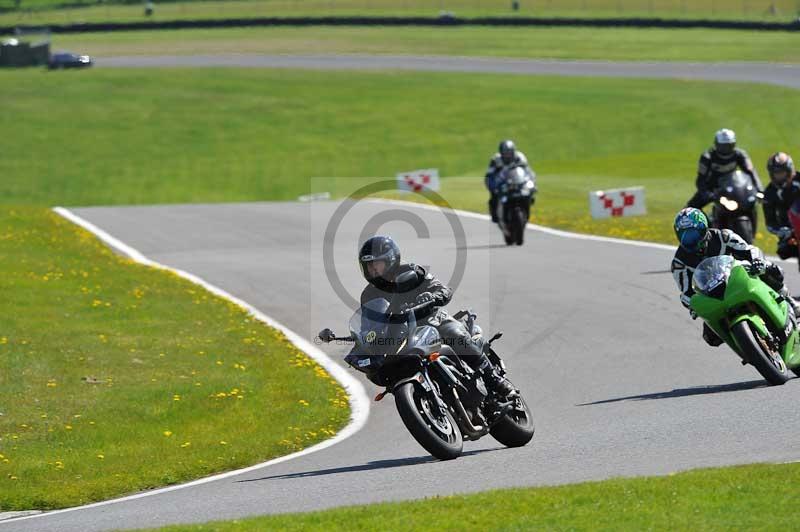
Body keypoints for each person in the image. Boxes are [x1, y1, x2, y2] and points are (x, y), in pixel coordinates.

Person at [357, 235, 514, 395]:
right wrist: (362, 338)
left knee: (455, 334)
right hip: (404, 337)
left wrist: (432, 298)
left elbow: (441, 289)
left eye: (377, 264)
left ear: (390, 259)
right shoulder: (368, 295)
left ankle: (493, 379)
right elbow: (368, 324)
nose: (374, 270)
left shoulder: (411, 271)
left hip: (433, 321)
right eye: (369, 266)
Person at [671, 208, 799, 346]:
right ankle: (748, 349)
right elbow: (686, 292)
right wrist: (691, 303)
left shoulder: (723, 236)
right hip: (713, 296)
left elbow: (749, 250)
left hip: (737, 277)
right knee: (711, 338)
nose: (691, 240)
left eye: (694, 234)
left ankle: (789, 300)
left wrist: (757, 261)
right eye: (685, 236)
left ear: (704, 228)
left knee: (771, 269)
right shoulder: (679, 263)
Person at [686, 129, 763, 209]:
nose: (726, 149)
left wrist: (759, 189)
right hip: (713, 190)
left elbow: (751, 172)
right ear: (716, 144)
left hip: (733, 188)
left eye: (729, 146)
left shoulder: (740, 155)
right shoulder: (707, 157)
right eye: (723, 146)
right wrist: (707, 194)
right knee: (689, 209)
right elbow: (700, 180)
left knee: (750, 207)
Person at [762, 152, 800, 260]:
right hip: (790, 230)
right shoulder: (769, 193)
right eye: (776, 173)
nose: (778, 176)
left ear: (789, 171)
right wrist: (781, 230)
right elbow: (770, 223)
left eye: (781, 173)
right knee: (784, 251)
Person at [485, 140, 531, 223]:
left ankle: (526, 213)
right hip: (502, 183)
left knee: (528, 194)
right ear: (501, 152)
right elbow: (489, 176)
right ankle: (495, 215)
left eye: (510, 152)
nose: (508, 155)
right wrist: (493, 187)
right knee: (494, 198)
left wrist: (531, 183)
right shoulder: (496, 159)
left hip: (518, 182)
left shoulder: (520, 157)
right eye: (505, 153)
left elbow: (528, 172)